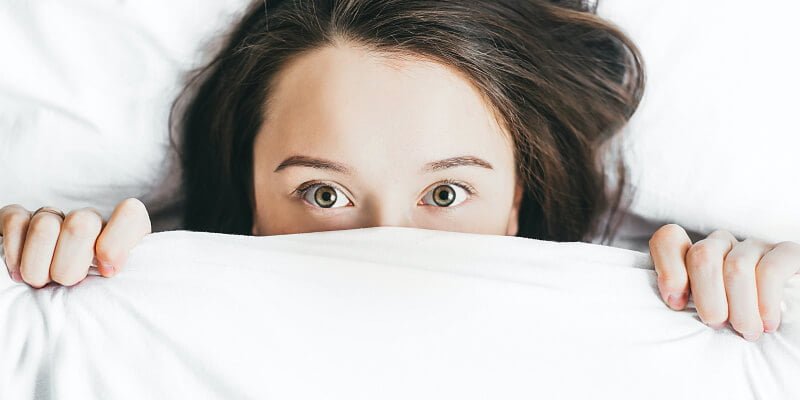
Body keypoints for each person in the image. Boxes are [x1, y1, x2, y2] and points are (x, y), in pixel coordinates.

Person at [1, 0, 798, 342]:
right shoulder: (129, 319)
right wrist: (37, 274)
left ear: (516, 199)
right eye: (324, 193)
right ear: (249, 200)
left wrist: (768, 297)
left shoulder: (658, 313)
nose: (386, 247)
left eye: (446, 193)